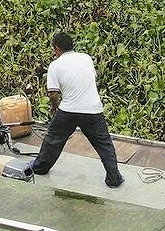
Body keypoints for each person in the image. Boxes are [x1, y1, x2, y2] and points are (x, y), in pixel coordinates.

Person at [31, 32, 124, 188]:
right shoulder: (86, 58)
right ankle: (114, 179)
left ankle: (40, 168)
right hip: (92, 109)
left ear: (57, 48)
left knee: (53, 139)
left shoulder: (55, 65)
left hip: (68, 110)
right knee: (104, 144)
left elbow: (53, 94)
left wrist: (54, 107)